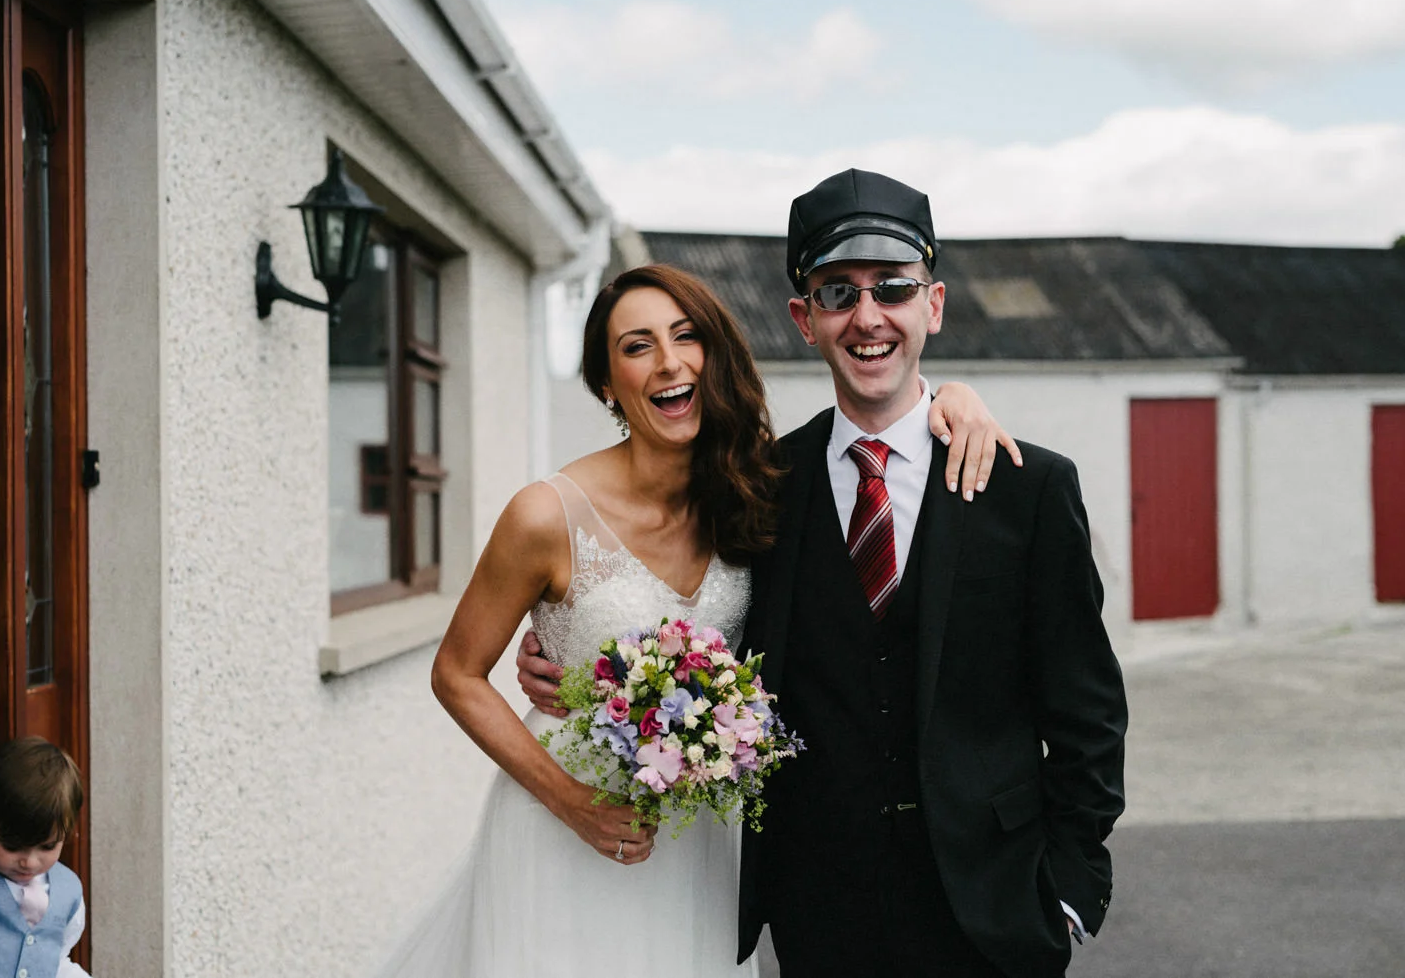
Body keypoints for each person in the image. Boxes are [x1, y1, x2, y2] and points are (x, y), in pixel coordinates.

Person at [521, 169, 1128, 978]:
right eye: (838, 293)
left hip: (997, 908)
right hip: (819, 915)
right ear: (805, 320)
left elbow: (1087, 711)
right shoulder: (759, 487)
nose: (868, 316)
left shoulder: (1029, 487)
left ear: (933, 305)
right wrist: (589, 670)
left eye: (894, 289)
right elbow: (699, 628)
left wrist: (1070, 888)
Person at [366, 263, 1012, 977]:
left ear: (716, 356)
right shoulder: (545, 515)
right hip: (563, 825)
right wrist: (574, 802)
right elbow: (456, 673)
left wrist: (957, 398)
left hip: (701, 840)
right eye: (637, 346)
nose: (669, 362)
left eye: (685, 336)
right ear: (606, 382)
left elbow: (882, 437)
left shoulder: (758, 493)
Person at [0, 736, 92, 978]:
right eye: (12, 846)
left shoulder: (68, 891)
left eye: (47, 846)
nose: (29, 862)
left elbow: (55, 959)